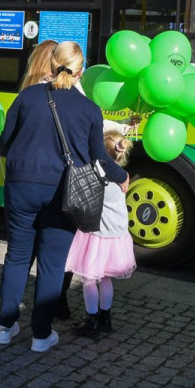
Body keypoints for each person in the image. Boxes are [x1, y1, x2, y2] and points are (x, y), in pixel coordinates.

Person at [0, 41, 129, 352]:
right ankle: (41, 335)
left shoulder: (26, 97)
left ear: (52, 64)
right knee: (53, 265)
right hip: (63, 190)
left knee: (16, 256)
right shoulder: (89, 109)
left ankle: (5, 326)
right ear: (81, 71)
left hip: (21, 187)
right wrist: (122, 177)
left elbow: (4, 144)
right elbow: (100, 158)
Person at [66, 131, 137, 339]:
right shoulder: (122, 178)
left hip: (97, 236)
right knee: (105, 278)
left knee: (88, 278)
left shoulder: (100, 178)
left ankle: (92, 320)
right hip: (117, 237)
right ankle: (106, 318)